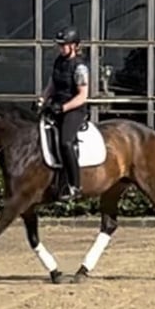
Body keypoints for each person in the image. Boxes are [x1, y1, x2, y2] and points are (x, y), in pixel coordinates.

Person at [38, 26, 89, 201]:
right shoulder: (59, 61)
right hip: (56, 105)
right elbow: (52, 84)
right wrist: (42, 100)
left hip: (74, 109)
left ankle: (75, 186)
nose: (61, 48)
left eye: (64, 45)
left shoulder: (80, 67)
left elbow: (82, 96)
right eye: (60, 45)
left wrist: (63, 108)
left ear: (74, 46)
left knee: (66, 142)